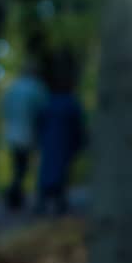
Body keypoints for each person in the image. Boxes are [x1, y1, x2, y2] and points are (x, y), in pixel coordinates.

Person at [35, 52, 86, 216]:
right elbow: (77, 125)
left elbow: (40, 122)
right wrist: (79, 142)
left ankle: (46, 202)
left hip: (52, 141)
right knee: (60, 171)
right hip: (63, 142)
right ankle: (57, 202)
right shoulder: (70, 103)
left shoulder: (50, 102)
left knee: (48, 170)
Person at [1, 59, 48, 211]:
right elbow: (42, 112)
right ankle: (32, 199)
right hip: (31, 134)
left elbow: (5, 110)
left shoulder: (13, 88)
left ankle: (15, 197)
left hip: (13, 134)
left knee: (18, 167)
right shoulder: (37, 88)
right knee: (32, 167)